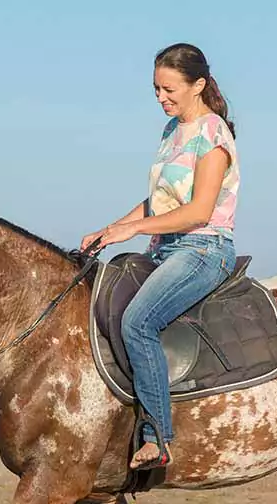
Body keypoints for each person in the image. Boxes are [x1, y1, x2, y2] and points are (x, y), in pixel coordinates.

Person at [81, 42, 240, 470]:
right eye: (155, 89)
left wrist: (133, 229)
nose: (161, 98)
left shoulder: (213, 135)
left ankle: (158, 436)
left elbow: (198, 211)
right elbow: (160, 202)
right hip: (165, 246)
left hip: (204, 248)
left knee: (138, 322)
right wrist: (111, 229)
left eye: (168, 89)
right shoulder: (173, 132)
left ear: (198, 85)